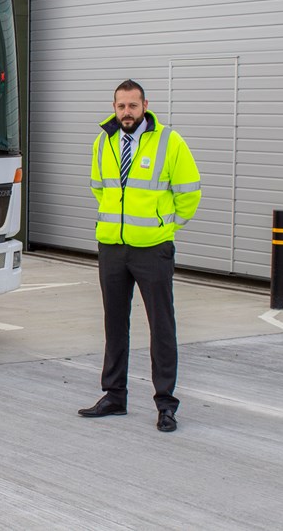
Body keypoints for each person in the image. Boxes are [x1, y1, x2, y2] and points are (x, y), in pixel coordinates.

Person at [79, 79, 201, 432]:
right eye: (121, 106)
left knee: (161, 325)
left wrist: (166, 226)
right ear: (114, 106)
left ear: (144, 105)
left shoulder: (169, 141)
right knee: (114, 324)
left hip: (153, 248)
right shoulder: (104, 141)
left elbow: (189, 191)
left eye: (133, 106)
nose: (126, 113)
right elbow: (98, 187)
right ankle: (114, 395)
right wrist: (116, 225)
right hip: (113, 247)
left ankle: (166, 404)